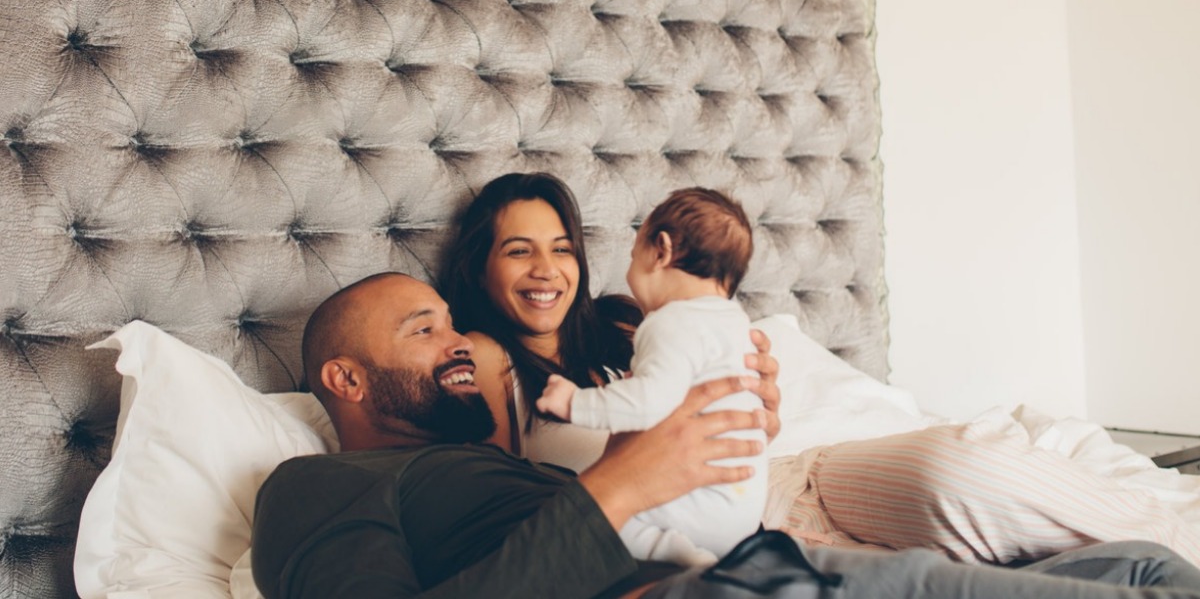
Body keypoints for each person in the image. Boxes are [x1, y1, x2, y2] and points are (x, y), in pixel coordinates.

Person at [250, 272, 1200, 598]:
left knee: (1144, 568)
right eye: (425, 330)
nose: (459, 340)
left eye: (455, 325)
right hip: (723, 589)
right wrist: (621, 487)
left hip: (752, 556)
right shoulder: (310, 488)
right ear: (344, 377)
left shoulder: (489, 467)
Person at [440, 171, 1200, 567]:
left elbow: (744, 414)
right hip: (726, 541)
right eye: (519, 250)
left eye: (561, 247)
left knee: (958, 473)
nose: (547, 270)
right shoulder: (490, 360)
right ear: (480, 264)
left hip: (788, 477)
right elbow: (502, 496)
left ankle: (1179, 532)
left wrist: (762, 404)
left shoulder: (626, 325)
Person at [535, 187, 766, 566]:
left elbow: (646, 405)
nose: (629, 273)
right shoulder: (736, 325)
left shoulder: (671, 321)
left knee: (605, 525)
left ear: (661, 251)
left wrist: (575, 402)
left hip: (699, 503)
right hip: (742, 506)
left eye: (632, 256)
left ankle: (685, 561)